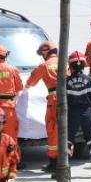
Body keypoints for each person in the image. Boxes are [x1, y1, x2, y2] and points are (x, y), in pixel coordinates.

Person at [65, 50, 91, 178]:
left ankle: (62, 172)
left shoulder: (66, 82)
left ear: (70, 66)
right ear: (83, 65)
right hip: (88, 113)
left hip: (72, 114)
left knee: (67, 142)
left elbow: (64, 102)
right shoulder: (89, 80)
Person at [26, 41, 60, 172]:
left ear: (46, 52)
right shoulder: (65, 62)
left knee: (52, 130)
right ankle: (64, 160)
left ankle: (54, 162)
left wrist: (25, 88)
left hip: (54, 101)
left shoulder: (44, 66)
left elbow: (30, 82)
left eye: (42, 54)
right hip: (69, 99)